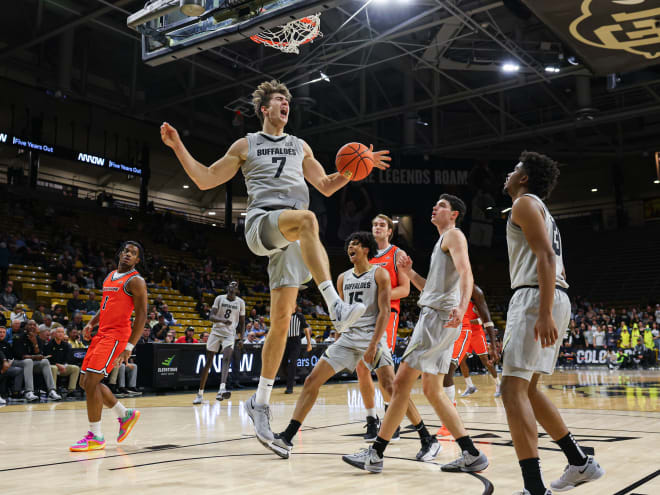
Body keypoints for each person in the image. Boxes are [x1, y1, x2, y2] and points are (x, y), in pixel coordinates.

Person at [161, 79, 390, 450]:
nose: (286, 105)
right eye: (279, 101)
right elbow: (205, 178)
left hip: (290, 238)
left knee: (282, 321)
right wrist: (177, 146)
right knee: (308, 219)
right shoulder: (245, 145)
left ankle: (261, 402)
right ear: (264, 109)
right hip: (262, 223)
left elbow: (328, 185)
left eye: (289, 101)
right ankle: (335, 305)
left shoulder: (300, 146)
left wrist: (355, 169)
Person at [342, 196, 485, 473]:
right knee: (433, 390)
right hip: (442, 319)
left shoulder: (453, 235)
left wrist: (461, 304)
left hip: (436, 319)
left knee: (400, 384)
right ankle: (471, 453)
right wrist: (409, 272)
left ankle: (376, 453)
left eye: (442, 206)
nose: (435, 207)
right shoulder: (443, 240)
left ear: (454, 214)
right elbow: (430, 288)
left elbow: (466, 272)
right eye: (435, 204)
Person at [271, 232, 438, 461]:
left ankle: (427, 438)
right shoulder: (342, 278)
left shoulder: (380, 274)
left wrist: (372, 344)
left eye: (356, 244)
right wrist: (338, 334)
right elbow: (341, 313)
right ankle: (287, 437)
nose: (351, 247)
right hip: (349, 339)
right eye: (349, 244)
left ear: (366, 249)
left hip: (373, 336)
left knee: (391, 388)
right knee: (312, 380)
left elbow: (384, 312)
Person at [499, 152, 604, 494]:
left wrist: (543, 312)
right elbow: (555, 261)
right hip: (551, 294)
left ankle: (534, 488)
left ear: (525, 178)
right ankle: (579, 461)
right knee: (528, 389)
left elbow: (545, 256)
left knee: (511, 390)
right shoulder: (541, 209)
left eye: (515, 169)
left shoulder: (524, 204)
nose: (509, 173)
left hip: (535, 298)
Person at [70, 241, 147, 452]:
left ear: (137, 260)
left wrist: (130, 346)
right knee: (86, 382)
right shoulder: (110, 276)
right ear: (120, 253)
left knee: (93, 382)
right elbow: (106, 305)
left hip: (116, 337)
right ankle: (125, 415)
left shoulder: (136, 281)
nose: (128, 255)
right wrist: (91, 322)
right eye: (125, 251)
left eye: (133, 253)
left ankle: (95, 436)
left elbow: (142, 315)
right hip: (101, 333)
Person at [355, 214, 415, 443]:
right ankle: (371, 420)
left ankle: (393, 420)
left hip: (387, 314)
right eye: (374, 224)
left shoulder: (397, 254)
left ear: (390, 231)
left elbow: (405, 289)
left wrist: (380, 296)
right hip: (365, 316)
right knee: (361, 368)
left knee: (382, 370)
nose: (377, 227)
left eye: (382, 225)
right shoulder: (366, 255)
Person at [193, 281, 245, 404]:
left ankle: (221, 389)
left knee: (226, 359)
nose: (233, 286)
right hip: (216, 332)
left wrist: (242, 338)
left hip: (229, 334)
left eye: (235, 285)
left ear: (237, 290)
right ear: (227, 287)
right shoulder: (219, 298)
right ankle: (200, 394)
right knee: (208, 362)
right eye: (231, 284)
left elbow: (242, 322)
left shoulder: (240, 302)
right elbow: (211, 316)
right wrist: (223, 320)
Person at [279, 306, 312, 394]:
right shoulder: (284, 316)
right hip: (285, 342)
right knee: (283, 363)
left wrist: (309, 343)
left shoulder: (300, 316)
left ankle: (289, 387)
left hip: (296, 342)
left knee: (292, 363)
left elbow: (306, 330)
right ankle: (291, 379)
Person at [45, 327, 80, 397]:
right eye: (58, 332)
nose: (60, 334)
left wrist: (64, 365)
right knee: (54, 368)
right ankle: (53, 391)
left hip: (62, 367)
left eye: (62, 332)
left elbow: (67, 359)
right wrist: (58, 365)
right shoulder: (49, 344)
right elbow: (48, 359)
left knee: (76, 368)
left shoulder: (66, 345)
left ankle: (71, 390)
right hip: (52, 366)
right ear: (54, 334)